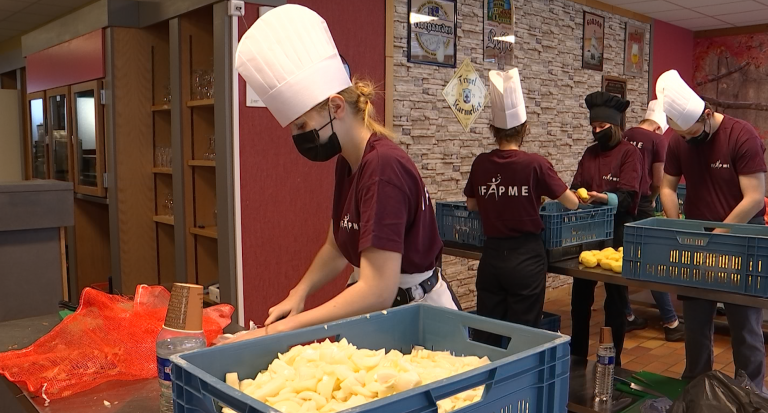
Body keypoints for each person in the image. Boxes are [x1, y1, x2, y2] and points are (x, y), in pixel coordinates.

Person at [225, 5, 459, 344]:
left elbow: (377, 290)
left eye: (302, 125)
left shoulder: (383, 169)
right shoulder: (349, 161)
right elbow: (337, 245)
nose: (298, 137)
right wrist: (299, 291)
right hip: (387, 314)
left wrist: (279, 331)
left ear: (336, 107)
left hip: (417, 317)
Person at [657, 69, 767, 389]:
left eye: (692, 133)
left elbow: (754, 197)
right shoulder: (679, 141)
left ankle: (751, 394)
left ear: (706, 114)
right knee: (695, 326)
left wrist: (720, 234)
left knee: (744, 327)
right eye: (683, 136)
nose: (688, 140)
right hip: (696, 239)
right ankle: (696, 389)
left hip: (743, 238)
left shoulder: (741, 135)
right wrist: (676, 225)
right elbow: (667, 187)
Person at [463, 69, 579, 346]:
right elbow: (572, 202)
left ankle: (484, 384)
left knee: (487, 334)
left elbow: (471, 205)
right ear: (525, 128)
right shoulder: (536, 164)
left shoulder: (481, 163)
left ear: (493, 130)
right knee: (523, 337)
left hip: (492, 257)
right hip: (526, 259)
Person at [570, 91, 643, 366]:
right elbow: (574, 184)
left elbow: (628, 198)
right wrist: (576, 195)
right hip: (588, 233)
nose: (597, 132)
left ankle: (613, 360)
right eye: (594, 128)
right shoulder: (589, 154)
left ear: (614, 127)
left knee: (615, 300)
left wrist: (603, 197)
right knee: (580, 299)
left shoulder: (630, 154)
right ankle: (577, 356)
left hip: (617, 233)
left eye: (602, 128)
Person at [622, 101, 685, 342]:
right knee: (654, 260)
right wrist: (656, 201)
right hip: (643, 202)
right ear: (660, 127)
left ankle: (626, 315)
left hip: (621, 201)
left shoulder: (625, 134)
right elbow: (659, 180)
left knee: (623, 257)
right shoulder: (658, 141)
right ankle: (670, 322)